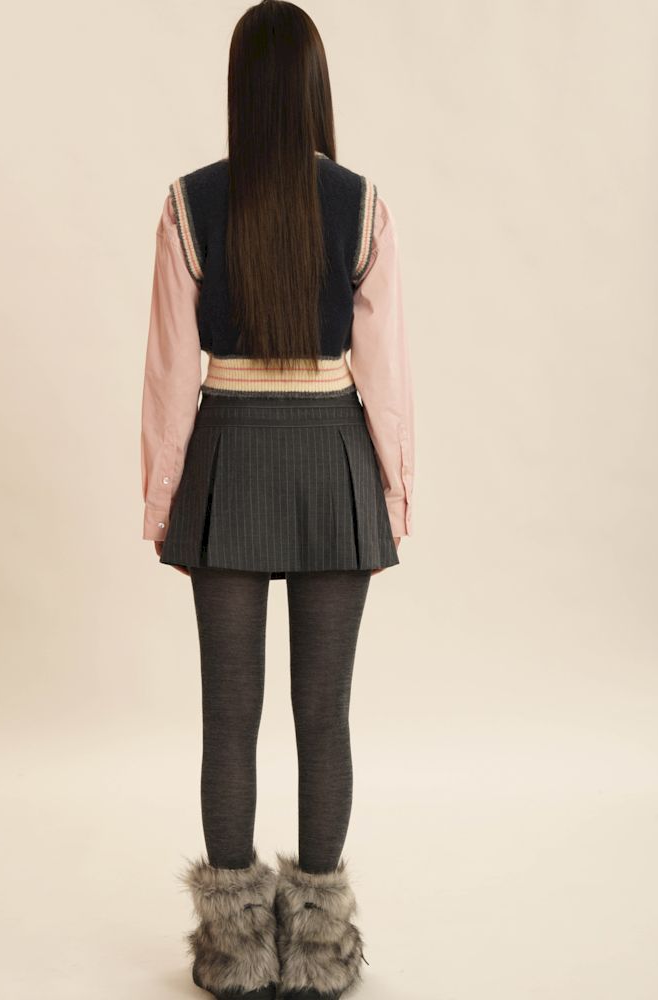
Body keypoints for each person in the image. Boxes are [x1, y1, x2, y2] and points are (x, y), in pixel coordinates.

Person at [139, 3, 414, 997]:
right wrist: (395, 488)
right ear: (313, 87)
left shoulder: (189, 203)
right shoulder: (362, 203)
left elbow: (171, 374)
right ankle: (323, 952)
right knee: (323, 715)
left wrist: (163, 498)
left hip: (228, 458)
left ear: (240, 88)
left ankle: (234, 952)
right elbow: (384, 372)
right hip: (335, 459)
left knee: (229, 715)